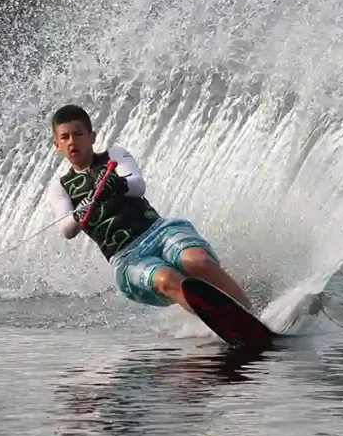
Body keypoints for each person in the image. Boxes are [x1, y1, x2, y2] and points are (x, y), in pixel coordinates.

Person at [46, 104, 254, 315]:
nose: (72, 141)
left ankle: (252, 313)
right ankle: (226, 320)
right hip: (127, 259)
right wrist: (82, 211)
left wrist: (118, 184)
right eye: (65, 137)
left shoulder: (114, 154)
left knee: (198, 261)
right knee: (167, 280)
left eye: (78, 134)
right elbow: (66, 229)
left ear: (92, 137)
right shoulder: (60, 187)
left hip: (159, 232)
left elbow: (137, 185)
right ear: (57, 145)